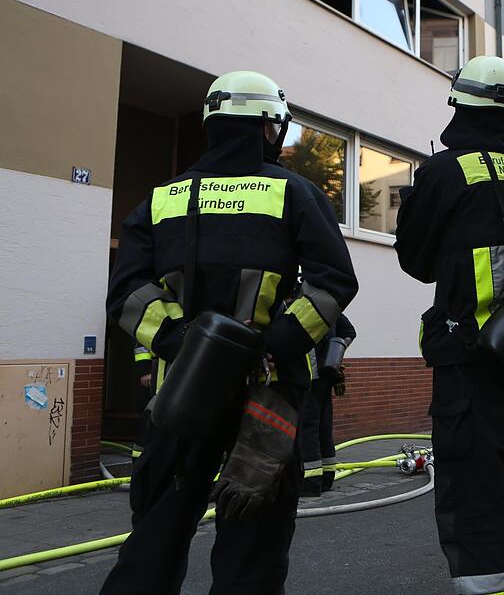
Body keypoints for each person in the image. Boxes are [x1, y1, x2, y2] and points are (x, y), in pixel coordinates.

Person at [100, 71, 358, 595]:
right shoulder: (296, 194)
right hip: (266, 399)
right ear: (268, 129)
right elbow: (332, 285)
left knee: (156, 537)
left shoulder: (162, 199)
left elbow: (128, 294)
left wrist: (182, 346)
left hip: (182, 394)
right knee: (253, 547)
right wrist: (271, 347)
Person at [395, 55, 504, 594]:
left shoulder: (445, 172)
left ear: (461, 106)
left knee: (476, 494)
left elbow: (416, 261)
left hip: (468, 364)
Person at [300, 311, 356, 497]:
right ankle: (327, 477)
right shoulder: (330, 307)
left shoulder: (305, 306)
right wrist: (336, 351)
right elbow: (349, 332)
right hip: (326, 376)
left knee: (307, 428)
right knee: (324, 427)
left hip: (310, 378)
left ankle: (311, 482)